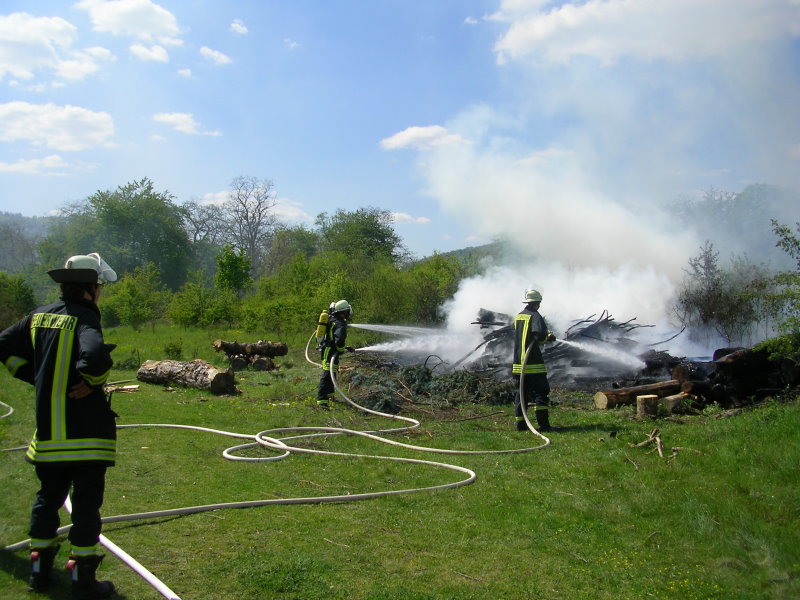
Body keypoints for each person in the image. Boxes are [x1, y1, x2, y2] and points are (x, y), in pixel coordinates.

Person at [0, 253, 118, 598]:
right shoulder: (85, 318)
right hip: (85, 439)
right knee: (85, 505)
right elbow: (95, 357)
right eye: (98, 287)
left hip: (49, 437)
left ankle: (39, 569)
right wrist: (93, 380)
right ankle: (82, 578)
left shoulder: (39, 317)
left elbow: (3, 344)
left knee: (46, 499)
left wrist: (31, 375)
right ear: (90, 289)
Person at [512, 288, 557, 432]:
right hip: (533, 364)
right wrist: (548, 337)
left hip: (519, 364)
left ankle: (521, 424)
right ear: (537, 303)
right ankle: (544, 425)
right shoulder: (535, 316)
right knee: (541, 391)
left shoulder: (518, 317)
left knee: (522, 393)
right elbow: (538, 335)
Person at [316, 299, 355, 409]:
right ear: (344, 311)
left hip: (330, 349)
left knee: (331, 373)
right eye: (347, 311)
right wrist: (342, 349)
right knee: (327, 375)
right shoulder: (340, 324)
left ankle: (329, 396)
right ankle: (322, 401)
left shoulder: (333, 319)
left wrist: (345, 348)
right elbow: (339, 342)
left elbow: (334, 340)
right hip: (330, 351)